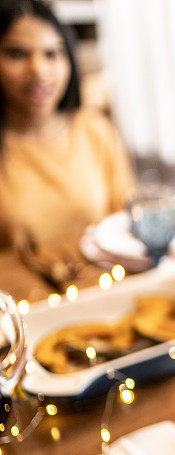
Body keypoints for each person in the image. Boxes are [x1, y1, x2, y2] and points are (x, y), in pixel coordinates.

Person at [0, 0, 133, 261]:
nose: (38, 70)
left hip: (102, 284)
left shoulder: (93, 128)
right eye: (17, 54)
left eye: (52, 54)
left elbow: (125, 218)